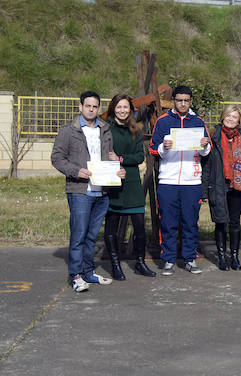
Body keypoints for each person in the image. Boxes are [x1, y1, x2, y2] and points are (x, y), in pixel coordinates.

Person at [51, 91, 125, 292]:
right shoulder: (68, 131)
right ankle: (75, 275)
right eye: (88, 106)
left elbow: (109, 157)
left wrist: (117, 167)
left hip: (101, 191)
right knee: (79, 234)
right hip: (80, 190)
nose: (91, 109)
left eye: (95, 106)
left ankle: (88, 272)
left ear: (98, 108)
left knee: (92, 235)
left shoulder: (105, 130)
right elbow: (57, 158)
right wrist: (76, 171)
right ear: (80, 107)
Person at [149, 85, 211, 276]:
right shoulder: (163, 121)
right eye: (179, 100)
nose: (183, 103)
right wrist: (164, 147)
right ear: (174, 101)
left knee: (190, 222)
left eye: (186, 100)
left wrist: (204, 146)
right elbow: (153, 148)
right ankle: (168, 259)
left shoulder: (198, 121)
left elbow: (206, 150)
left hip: (191, 181)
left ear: (190, 101)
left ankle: (190, 259)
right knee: (167, 222)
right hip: (168, 180)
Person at [100, 94, 155, 279]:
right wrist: (112, 161)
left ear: (131, 110)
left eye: (126, 107)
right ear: (113, 108)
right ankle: (115, 264)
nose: (122, 111)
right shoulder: (105, 129)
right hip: (112, 181)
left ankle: (140, 262)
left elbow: (139, 157)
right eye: (119, 107)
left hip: (132, 182)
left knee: (139, 226)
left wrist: (121, 159)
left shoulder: (136, 130)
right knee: (112, 226)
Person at [202, 105, 241, 271]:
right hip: (219, 185)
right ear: (223, 117)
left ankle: (234, 256)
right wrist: (204, 190)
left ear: (239, 120)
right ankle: (221, 257)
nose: (231, 119)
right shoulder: (213, 136)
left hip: (238, 185)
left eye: (234, 117)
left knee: (235, 223)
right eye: (228, 116)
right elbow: (206, 165)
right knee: (220, 222)